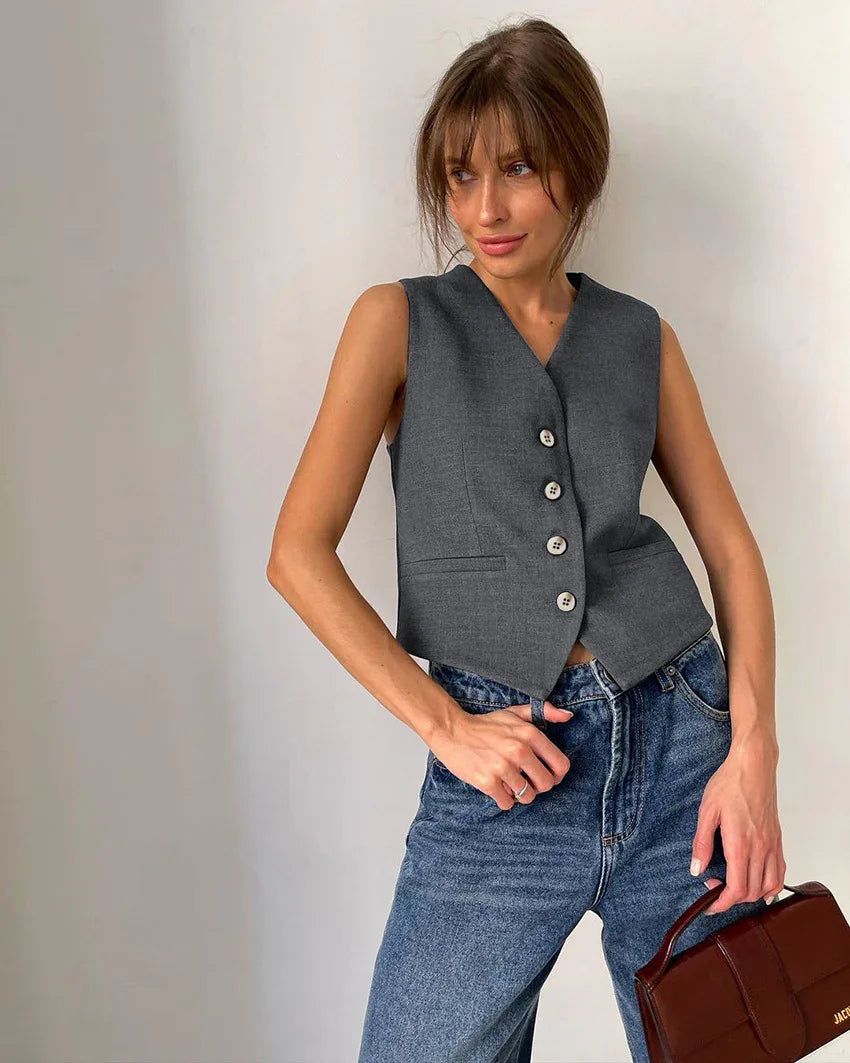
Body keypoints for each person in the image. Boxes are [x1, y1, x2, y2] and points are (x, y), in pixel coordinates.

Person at [266, 17, 785, 1063]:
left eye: (517, 169)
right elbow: (297, 552)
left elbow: (730, 549)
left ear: (575, 167)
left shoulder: (641, 337)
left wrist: (753, 756)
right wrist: (446, 727)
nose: (485, 209)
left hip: (681, 753)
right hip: (502, 776)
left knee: (723, 1047)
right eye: (461, 176)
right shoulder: (397, 322)